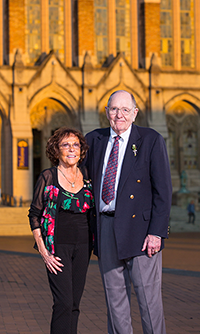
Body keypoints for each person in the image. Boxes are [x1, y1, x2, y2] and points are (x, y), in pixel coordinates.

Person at [84, 90, 172, 334]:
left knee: (149, 303)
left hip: (142, 233)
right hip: (106, 228)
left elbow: (163, 191)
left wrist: (157, 232)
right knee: (115, 304)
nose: (119, 115)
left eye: (124, 109)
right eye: (113, 109)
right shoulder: (94, 140)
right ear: (106, 113)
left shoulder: (151, 139)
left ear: (135, 113)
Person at [28, 127, 94, 334]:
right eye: (65, 145)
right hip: (57, 249)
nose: (71, 149)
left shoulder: (88, 178)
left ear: (81, 150)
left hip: (83, 248)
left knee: (74, 303)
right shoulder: (48, 177)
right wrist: (44, 251)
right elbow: (34, 215)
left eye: (76, 145)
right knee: (63, 303)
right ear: (56, 150)